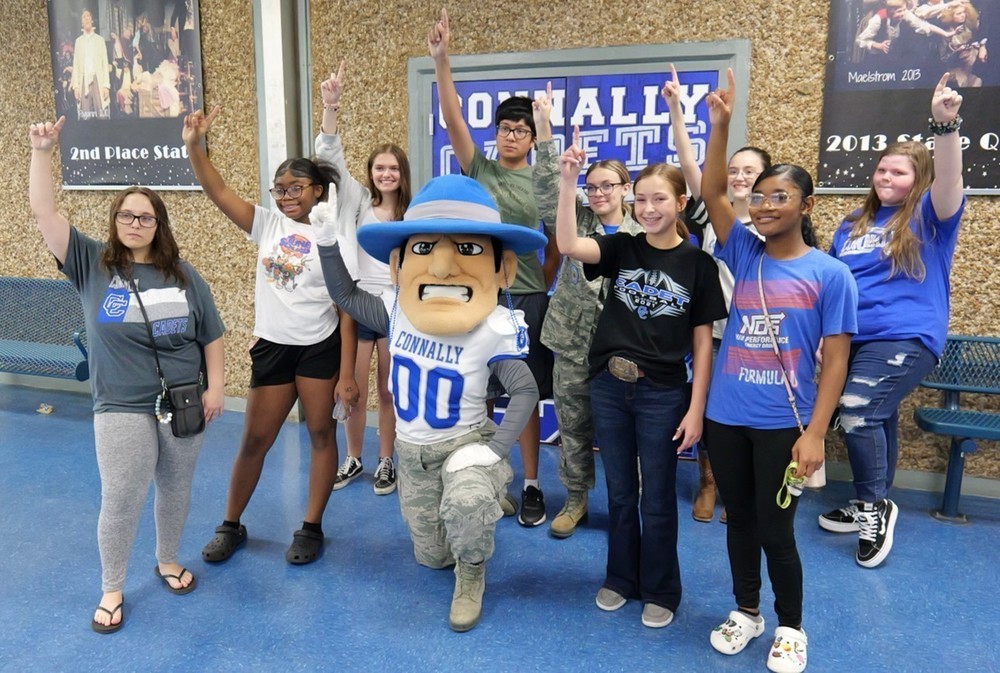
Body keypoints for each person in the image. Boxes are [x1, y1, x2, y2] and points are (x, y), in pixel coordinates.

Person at [314, 174, 545, 632]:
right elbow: (344, 295)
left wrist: (495, 450)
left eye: (466, 249)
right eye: (423, 250)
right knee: (432, 558)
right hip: (412, 453)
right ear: (399, 264)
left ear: (504, 267)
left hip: (465, 446)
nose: (440, 267)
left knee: (465, 512)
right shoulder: (396, 311)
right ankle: (484, 502)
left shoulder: (493, 324)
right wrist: (325, 242)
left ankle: (474, 569)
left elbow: (525, 390)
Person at [28, 117, 225, 634]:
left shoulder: (183, 275)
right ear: (115, 219)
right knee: (121, 496)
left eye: (145, 217)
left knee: (176, 487)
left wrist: (217, 387)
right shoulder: (92, 262)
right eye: (126, 214)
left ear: (159, 225)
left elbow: (212, 334)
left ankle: (166, 558)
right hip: (120, 404)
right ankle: (112, 585)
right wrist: (43, 152)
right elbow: (44, 212)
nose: (135, 223)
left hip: (183, 401)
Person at [700, 71, 857, 673]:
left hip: (783, 425)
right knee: (739, 522)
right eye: (758, 198)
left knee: (776, 530)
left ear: (806, 205)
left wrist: (816, 432)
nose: (763, 207)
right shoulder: (743, 250)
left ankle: (791, 625)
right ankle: (747, 610)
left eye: (779, 198)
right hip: (725, 415)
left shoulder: (829, 275)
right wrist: (719, 127)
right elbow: (714, 192)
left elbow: (836, 360)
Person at [556, 128, 726, 628]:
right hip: (609, 386)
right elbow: (567, 243)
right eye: (641, 199)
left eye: (659, 199)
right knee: (620, 492)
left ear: (681, 202)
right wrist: (568, 182)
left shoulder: (697, 264)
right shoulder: (623, 247)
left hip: (661, 393)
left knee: (657, 496)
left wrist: (696, 407)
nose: (648, 208)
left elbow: (701, 341)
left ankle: (662, 590)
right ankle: (620, 578)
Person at [183, 106, 359, 566]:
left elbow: (346, 310)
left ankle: (311, 527)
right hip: (273, 347)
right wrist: (193, 146)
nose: (285, 197)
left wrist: (347, 376)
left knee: (322, 434)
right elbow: (217, 189)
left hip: (321, 347)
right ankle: (230, 524)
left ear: (317, 190)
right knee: (254, 441)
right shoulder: (267, 225)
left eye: (294, 188)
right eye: (279, 189)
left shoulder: (334, 233)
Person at [819, 74, 966, 569]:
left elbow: (948, 181)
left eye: (899, 173)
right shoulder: (850, 226)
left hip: (906, 335)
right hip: (853, 339)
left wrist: (944, 127)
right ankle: (872, 498)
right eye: (882, 170)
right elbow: (832, 285)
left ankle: (873, 507)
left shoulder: (929, 215)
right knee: (870, 415)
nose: (886, 179)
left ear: (917, 180)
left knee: (858, 409)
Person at [429, 8, 557, 526]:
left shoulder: (540, 178)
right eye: (504, 127)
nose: (510, 136)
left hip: (526, 300)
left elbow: (557, 244)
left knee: (523, 396)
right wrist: (442, 62)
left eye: (520, 130)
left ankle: (529, 484)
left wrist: (539, 287)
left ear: (531, 137)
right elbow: (454, 118)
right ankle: (477, 475)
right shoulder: (477, 168)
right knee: (476, 393)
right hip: (476, 299)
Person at [531, 82, 643, 538]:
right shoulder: (576, 219)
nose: (598, 193)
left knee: (623, 433)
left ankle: (623, 505)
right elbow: (543, 197)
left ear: (626, 188)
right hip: (573, 342)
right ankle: (575, 499)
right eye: (592, 186)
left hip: (625, 349)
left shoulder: (645, 230)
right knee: (573, 426)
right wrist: (545, 135)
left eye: (607, 186)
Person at [661, 64, 767, 524]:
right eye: (734, 169)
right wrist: (676, 113)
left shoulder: (773, 226)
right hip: (716, 333)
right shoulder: (711, 214)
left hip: (761, 338)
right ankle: (709, 481)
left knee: (749, 416)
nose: (740, 177)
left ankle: (741, 489)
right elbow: (689, 163)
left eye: (750, 171)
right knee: (708, 411)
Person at [315, 62, 410, 495]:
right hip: (356, 303)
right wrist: (330, 107)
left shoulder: (414, 213)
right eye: (379, 168)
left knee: (389, 391)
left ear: (401, 174)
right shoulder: (356, 200)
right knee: (351, 389)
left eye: (392, 169)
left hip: (396, 308)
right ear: (370, 172)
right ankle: (353, 459)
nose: (385, 174)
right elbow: (329, 160)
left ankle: (386, 460)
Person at [71, 9, 110, 120]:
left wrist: (106, 86)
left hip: (98, 80)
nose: (86, 18)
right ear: (81, 22)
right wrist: (76, 86)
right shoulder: (78, 41)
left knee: (102, 116)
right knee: (85, 117)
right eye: (84, 17)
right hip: (84, 81)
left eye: (88, 16)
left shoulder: (100, 40)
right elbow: (76, 65)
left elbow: (104, 64)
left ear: (92, 20)